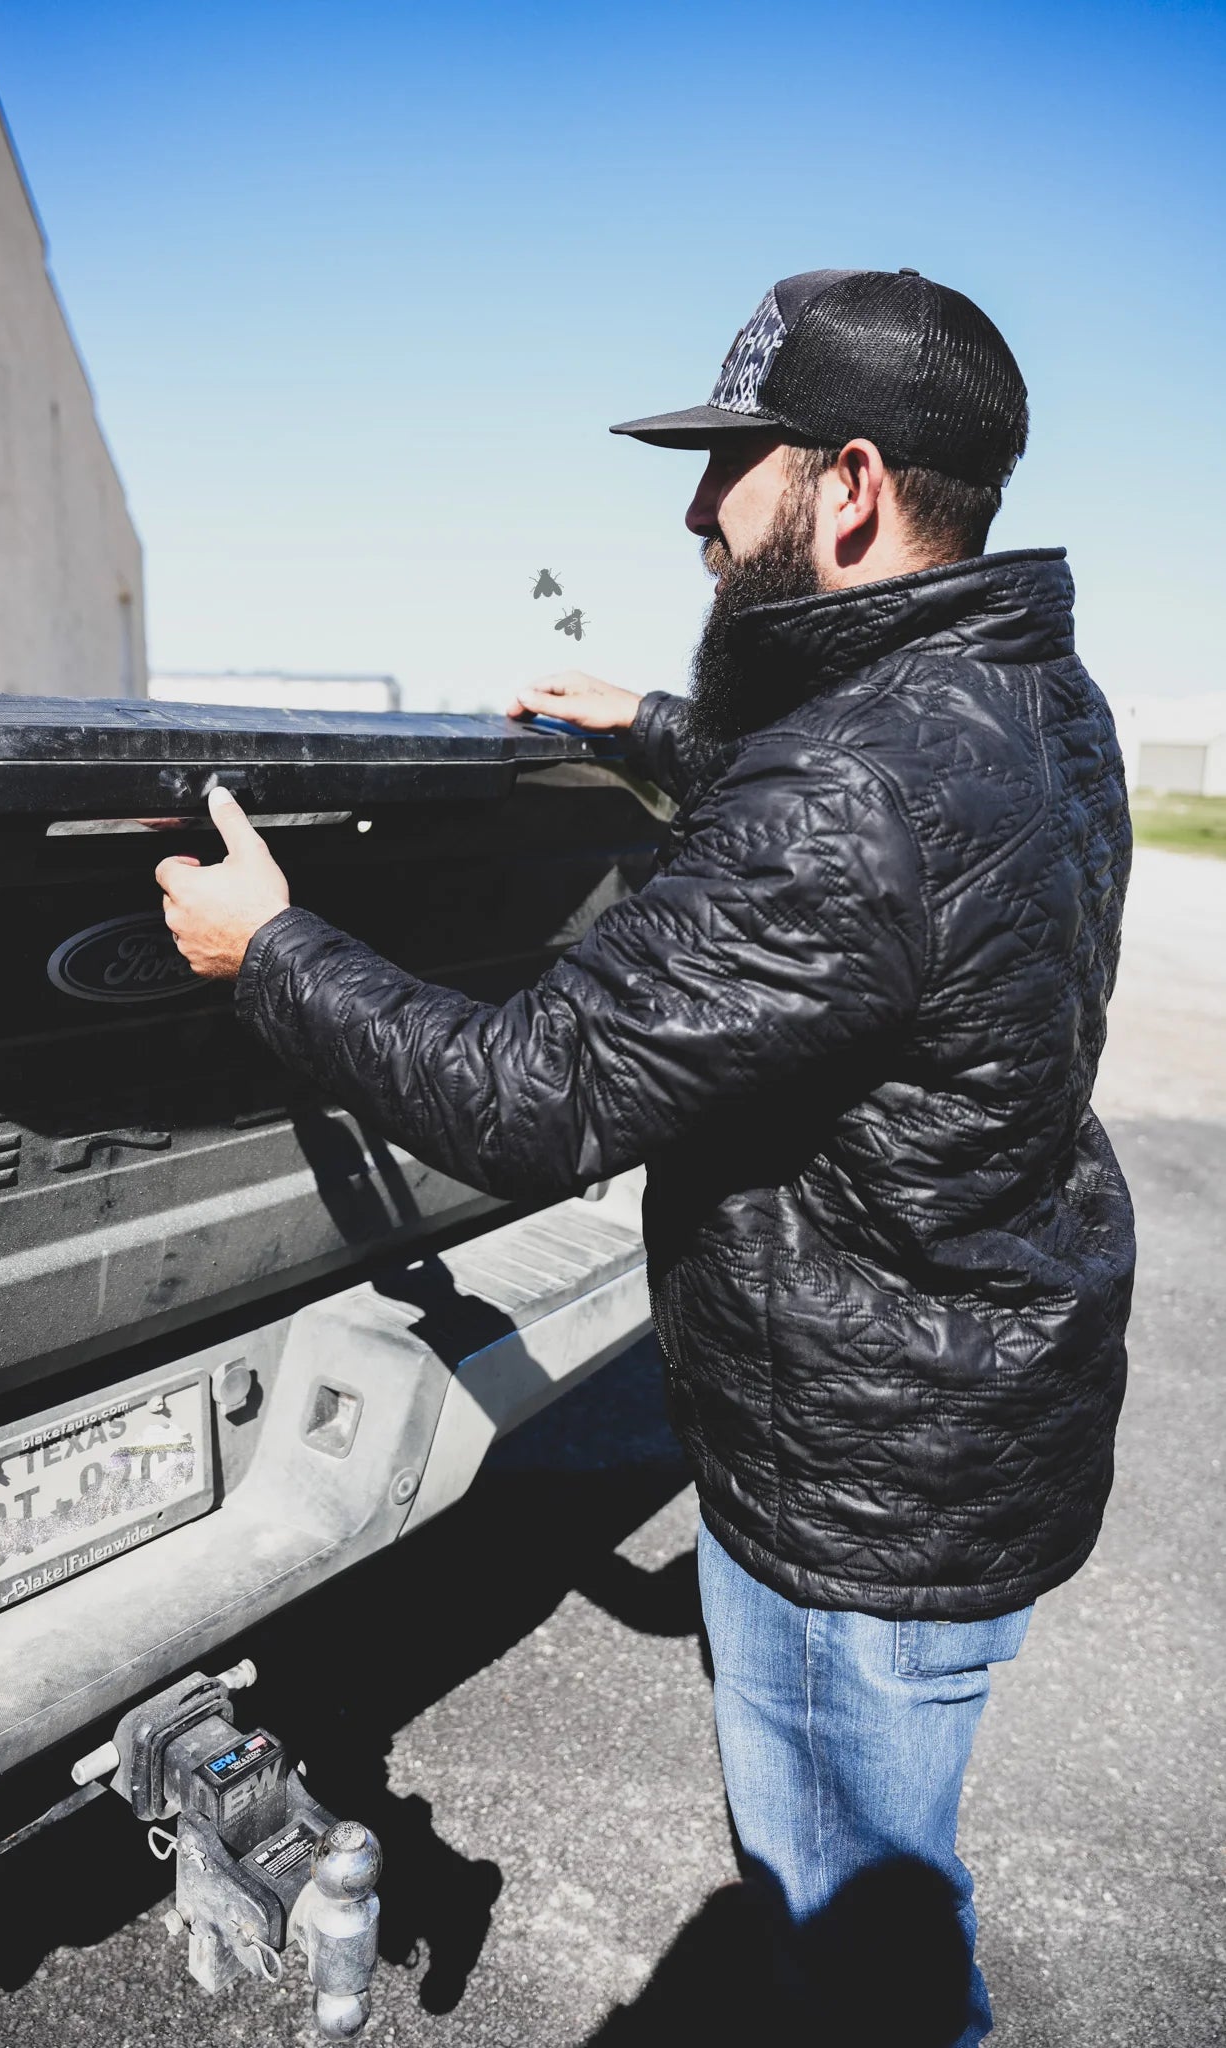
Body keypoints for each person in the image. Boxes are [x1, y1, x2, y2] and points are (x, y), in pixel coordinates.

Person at [156, 267, 1135, 2046]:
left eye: (727, 467)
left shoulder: (849, 793)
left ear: (847, 486)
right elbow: (846, 837)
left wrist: (271, 950)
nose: (696, 513)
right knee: (881, 1916)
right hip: (967, 1420)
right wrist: (647, 727)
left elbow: (529, 1094)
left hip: (855, 1506)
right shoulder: (1029, 699)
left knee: (859, 1963)